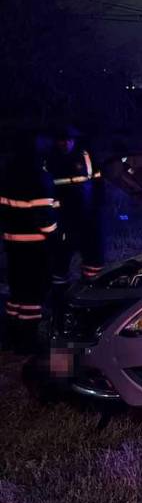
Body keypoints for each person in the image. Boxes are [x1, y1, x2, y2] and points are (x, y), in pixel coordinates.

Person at [1, 130, 57, 353]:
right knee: (33, 293)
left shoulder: (8, 172)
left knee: (16, 291)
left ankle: (11, 336)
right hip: (35, 245)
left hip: (12, 242)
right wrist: (55, 235)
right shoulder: (39, 176)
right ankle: (28, 341)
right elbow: (45, 216)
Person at [44, 126, 105, 286]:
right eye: (62, 140)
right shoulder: (49, 160)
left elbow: (98, 183)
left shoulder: (86, 156)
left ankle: (91, 286)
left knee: (93, 255)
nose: (66, 144)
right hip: (63, 218)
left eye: (69, 140)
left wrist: (98, 208)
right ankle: (59, 291)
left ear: (74, 140)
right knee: (60, 257)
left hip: (87, 215)